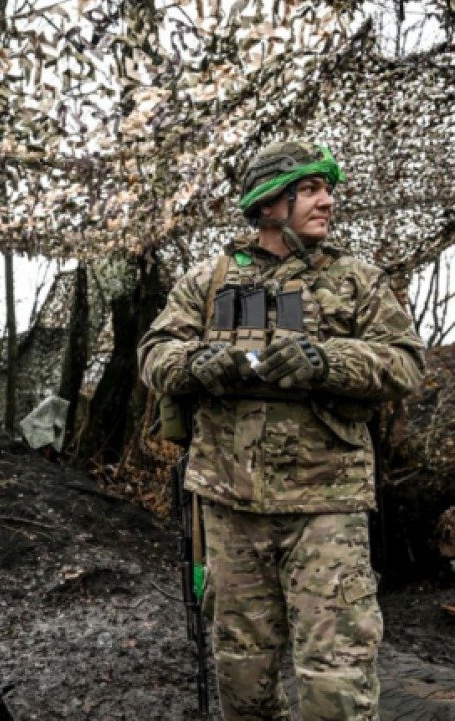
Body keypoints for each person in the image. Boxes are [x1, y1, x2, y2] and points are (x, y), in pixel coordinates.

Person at [138, 141, 425, 721]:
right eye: (311, 190)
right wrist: (195, 363)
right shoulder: (210, 279)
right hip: (229, 505)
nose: (328, 201)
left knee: (337, 684)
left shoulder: (355, 280)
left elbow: (406, 363)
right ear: (271, 203)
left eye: (328, 189)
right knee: (243, 679)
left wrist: (327, 362)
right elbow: (154, 352)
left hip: (326, 507)